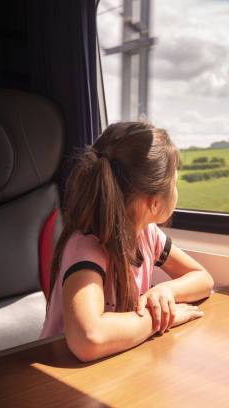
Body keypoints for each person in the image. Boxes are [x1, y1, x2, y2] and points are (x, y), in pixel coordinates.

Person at [40, 121, 214, 362]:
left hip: (113, 360)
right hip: (59, 373)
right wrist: (158, 319)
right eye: (174, 182)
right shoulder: (88, 246)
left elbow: (203, 279)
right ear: (153, 202)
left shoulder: (148, 234)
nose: (176, 189)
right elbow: (88, 338)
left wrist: (164, 292)